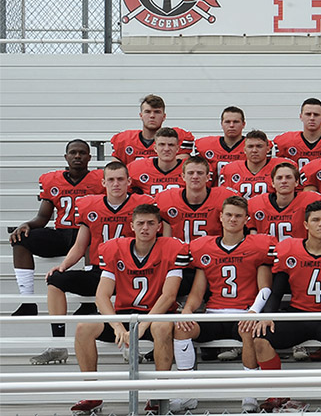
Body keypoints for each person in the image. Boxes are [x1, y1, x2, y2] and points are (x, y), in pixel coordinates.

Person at [70, 204, 188, 415]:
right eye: (140, 223)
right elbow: (101, 295)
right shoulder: (115, 249)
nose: (145, 228)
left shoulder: (171, 248)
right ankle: (92, 391)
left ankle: (159, 393)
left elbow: (169, 295)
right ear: (131, 225)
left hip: (157, 312)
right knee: (83, 327)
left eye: (151, 223)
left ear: (159, 226)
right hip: (126, 312)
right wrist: (116, 325)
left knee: (161, 329)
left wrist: (142, 326)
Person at [252, 201, 321, 413]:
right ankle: (277, 392)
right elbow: (277, 292)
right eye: (316, 220)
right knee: (260, 337)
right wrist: (267, 315)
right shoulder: (289, 250)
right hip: (297, 315)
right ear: (306, 224)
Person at [40, 162, 152, 366]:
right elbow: (80, 245)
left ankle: (130, 345)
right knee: (55, 280)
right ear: (103, 183)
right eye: (111, 179)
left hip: (130, 272)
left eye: (120, 179)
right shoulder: (90, 205)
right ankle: (57, 342)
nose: (115, 184)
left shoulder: (141, 204)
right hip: (99, 270)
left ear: (129, 181)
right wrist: (63, 265)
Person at [174, 196, 275, 414]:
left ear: (247, 219)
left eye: (238, 216)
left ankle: (250, 394)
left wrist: (253, 312)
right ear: (220, 217)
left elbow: (265, 287)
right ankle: (187, 393)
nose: (233, 219)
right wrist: (188, 310)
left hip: (243, 312)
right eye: (228, 214)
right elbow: (197, 292)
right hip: (213, 313)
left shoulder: (257, 246)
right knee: (181, 328)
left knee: (248, 330)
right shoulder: (205, 247)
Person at [10, 140, 102, 320]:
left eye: (82, 153)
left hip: (87, 234)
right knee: (20, 239)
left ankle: (89, 303)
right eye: (73, 152)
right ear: (66, 157)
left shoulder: (100, 181)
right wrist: (27, 224)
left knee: (95, 240)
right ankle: (27, 302)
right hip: (61, 233)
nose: (77, 156)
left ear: (89, 157)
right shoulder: (52, 180)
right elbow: (43, 218)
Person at [155, 155, 239, 245]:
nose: (195, 176)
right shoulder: (168, 198)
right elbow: (167, 241)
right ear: (183, 176)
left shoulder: (223, 198)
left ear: (208, 177)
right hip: (179, 255)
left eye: (200, 173)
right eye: (190, 173)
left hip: (212, 255)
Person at [247, 162, 321, 241]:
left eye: (288, 177)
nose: (284, 181)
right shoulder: (257, 204)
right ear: (273, 183)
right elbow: (253, 238)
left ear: (296, 182)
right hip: (268, 252)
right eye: (279, 178)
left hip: (299, 252)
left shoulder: (310, 201)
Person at [110, 94, 194, 165]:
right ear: (141, 115)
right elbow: (115, 172)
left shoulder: (175, 138)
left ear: (164, 116)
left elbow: (182, 169)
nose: (152, 116)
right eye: (147, 112)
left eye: (157, 112)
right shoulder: (125, 140)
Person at [219, 130, 292, 198]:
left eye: (259, 146)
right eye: (250, 146)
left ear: (268, 149)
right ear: (244, 150)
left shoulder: (281, 168)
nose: (254, 150)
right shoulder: (230, 169)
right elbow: (225, 198)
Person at [193, 106, 248, 182]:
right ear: (222, 124)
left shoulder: (252, 147)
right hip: (214, 192)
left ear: (243, 124)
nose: (231, 125)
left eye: (236, 122)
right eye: (227, 122)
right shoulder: (206, 145)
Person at [272, 98, 321, 169]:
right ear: (301, 116)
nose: (312, 118)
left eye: (316, 115)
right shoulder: (287, 141)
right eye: (308, 114)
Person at [127, 127, 185, 195]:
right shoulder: (136, 168)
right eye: (162, 145)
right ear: (155, 148)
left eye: (171, 145)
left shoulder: (188, 169)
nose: (166, 149)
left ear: (177, 148)